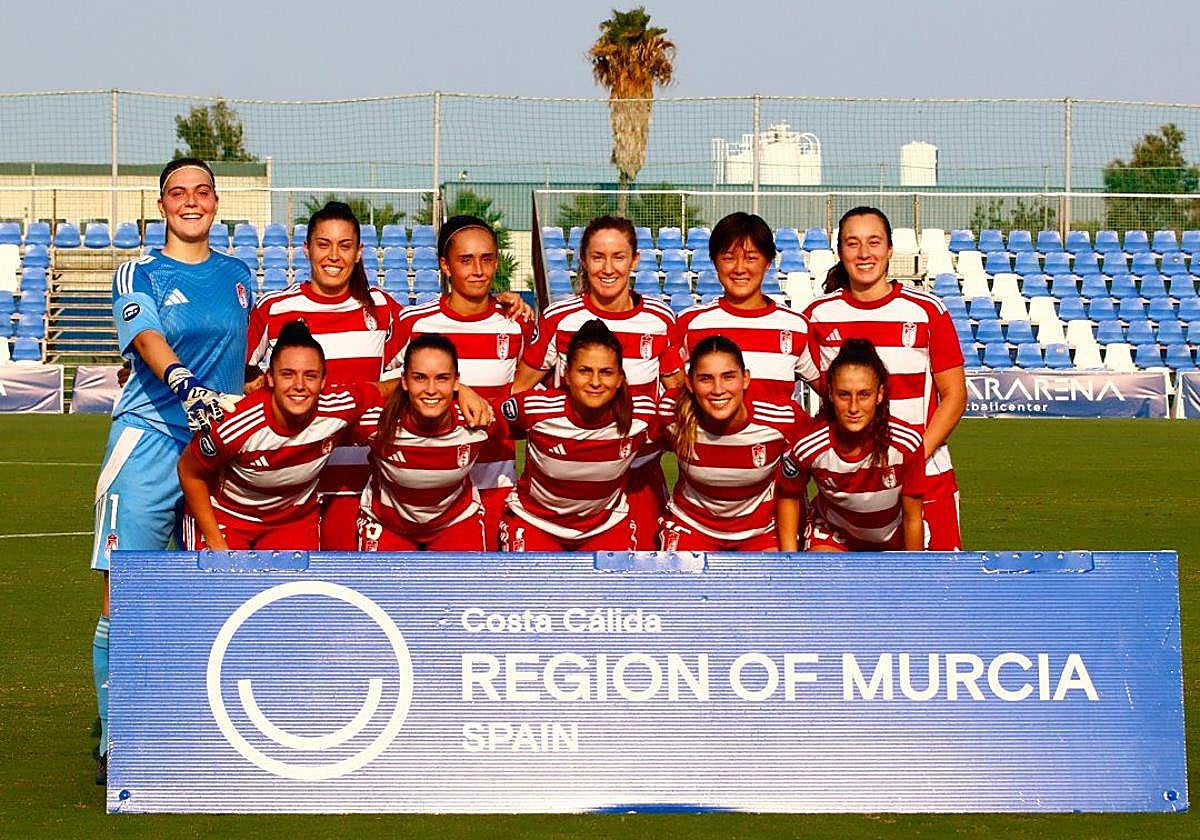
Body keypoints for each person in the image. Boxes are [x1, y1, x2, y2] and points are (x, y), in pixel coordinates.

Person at [89, 157, 254, 783]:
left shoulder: (238, 274)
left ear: (216, 202)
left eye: (202, 191)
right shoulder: (141, 269)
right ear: (162, 205)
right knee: (125, 590)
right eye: (178, 193)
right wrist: (185, 383)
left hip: (219, 450)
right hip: (152, 442)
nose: (192, 201)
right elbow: (149, 338)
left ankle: (195, 722)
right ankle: (115, 736)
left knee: (211, 589)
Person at [513, 215, 684, 546]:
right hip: (572, 479)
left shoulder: (660, 319)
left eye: (618, 257)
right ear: (583, 260)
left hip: (638, 477)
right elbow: (521, 390)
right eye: (597, 257)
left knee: (632, 587)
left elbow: (676, 394)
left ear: (635, 260)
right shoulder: (559, 318)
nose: (608, 268)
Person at [802, 206, 966, 550]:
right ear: (840, 251)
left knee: (936, 597)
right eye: (853, 243)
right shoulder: (817, 317)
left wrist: (915, 457)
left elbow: (954, 395)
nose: (864, 253)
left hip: (925, 479)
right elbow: (820, 400)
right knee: (838, 602)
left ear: (890, 249)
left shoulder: (927, 311)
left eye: (874, 242)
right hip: (848, 491)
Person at [245, 201, 406, 550]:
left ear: (360, 252)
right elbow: (242, 380)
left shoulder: (383, 309)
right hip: (286, 485)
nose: (334, 256)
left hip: (356, 483)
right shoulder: (274, 309)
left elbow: (415, 376)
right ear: (306, 249)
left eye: (345, 246)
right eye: (323, 244)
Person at [386, 215, 534, 550]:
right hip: (426, 492)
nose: (478, 270)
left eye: (486, 259)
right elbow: (384, 387)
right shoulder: (415, 323)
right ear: (445, 266)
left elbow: (528, 396)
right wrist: (456, 388)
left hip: (495, 482)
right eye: (466, 260)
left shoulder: (517, 324)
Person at [178, 321, 384, 550]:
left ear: (324, 381)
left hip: (293, 519)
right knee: (224, 583)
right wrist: (216, 541)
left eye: (310, 376)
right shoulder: (237, 424)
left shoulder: (340, 407)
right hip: (227, 516)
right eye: (288, 375)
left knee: (294, 586)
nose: (299, 385)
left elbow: (384, 389)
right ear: (270, 378)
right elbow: (189, 472)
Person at [499, 319, 656, 552]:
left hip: (607, 526)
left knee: (617, 589)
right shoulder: (533, 409)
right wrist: (460, 392)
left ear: (620, 377)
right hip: (535, 523)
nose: (595, 382)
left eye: (606, 372)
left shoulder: (642, 415)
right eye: (584, 371)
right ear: (567, 374)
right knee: (533, 589)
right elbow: (482, 417)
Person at [659, 335, 811, 551]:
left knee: (775, 585)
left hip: (760, 532)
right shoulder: (670, 412)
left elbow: (819, 454)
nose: (718, 389)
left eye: (728, 377)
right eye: (705, 379)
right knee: (678, 584)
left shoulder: (780, 418)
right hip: (691, 528)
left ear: (745, 379)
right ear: (689, 383)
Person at [777, 338, 926, 552]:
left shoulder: (907, 443)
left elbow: (913, 518)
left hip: (891, 537)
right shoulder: (808, 445)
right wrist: (789, 560)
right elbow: (788, 496)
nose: (853, 407)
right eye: (844, 395)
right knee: (824, 574)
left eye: (864, 394)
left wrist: (915, 574)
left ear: (880, 394)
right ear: (830, 394)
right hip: (834, 535)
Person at [355, 334, 492, 551]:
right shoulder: (375, 422)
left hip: (455, 522)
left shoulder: (476, 419)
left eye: (442, 378)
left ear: (457, 381)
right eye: (419, 377)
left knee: (463, 586)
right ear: (404, 381)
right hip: (388, 523)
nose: (430, 389)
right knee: (385, 586)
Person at [676, 211, 819, 406]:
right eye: (728, 258)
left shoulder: (795, 325)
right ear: (715, 262)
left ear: (768, 262)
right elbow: (672, 390)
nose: (740, 268)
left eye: (751, 258)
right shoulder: (689, 323)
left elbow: (830, 391)